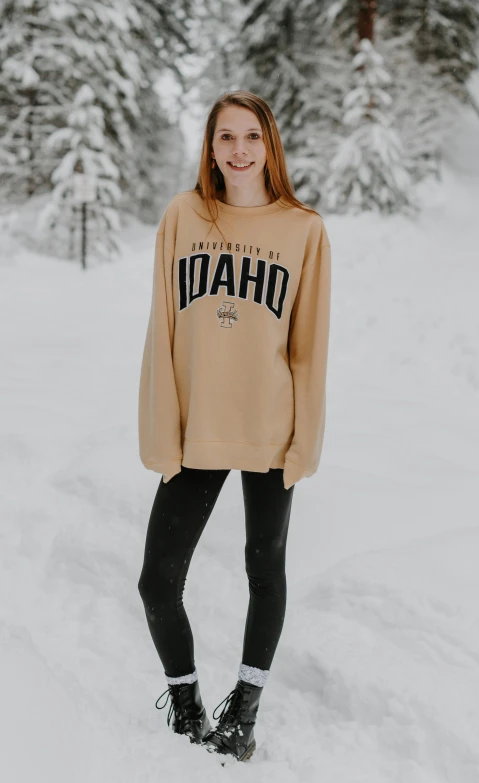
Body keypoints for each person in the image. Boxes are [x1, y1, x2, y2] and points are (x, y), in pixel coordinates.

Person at [137, 90, 331, 763]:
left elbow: (309, 346)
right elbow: (162, 329)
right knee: (157, 580)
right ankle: (187, 704)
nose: (239, 150)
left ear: (269, 145)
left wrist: (307, 438)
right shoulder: (183, 217)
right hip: (198, 429)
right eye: (226, 137)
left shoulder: (303, 229)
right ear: (210, 146)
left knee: (263, 567)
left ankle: (243, 713)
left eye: (252, 136)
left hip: (269, 427)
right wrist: (160, 430)